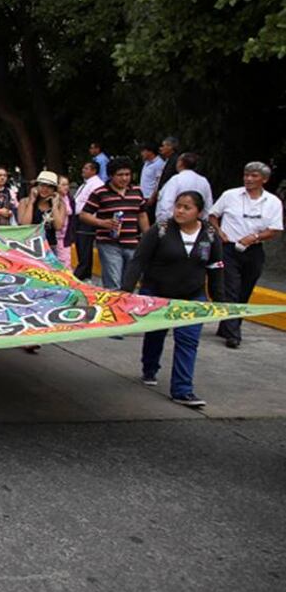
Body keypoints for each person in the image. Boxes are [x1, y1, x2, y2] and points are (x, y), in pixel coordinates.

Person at [122, 191, 224, 408]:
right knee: (155, 334)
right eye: (178, 206)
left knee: (188, 341)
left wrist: (220, 300)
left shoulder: (209, 234)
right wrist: (126, 293)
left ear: (199, 212)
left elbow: (215, 267)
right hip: (158, 294)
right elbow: (138, 261)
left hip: (192, 297)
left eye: (187, 207)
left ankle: (182, 390)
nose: (180, 211)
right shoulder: (160, 230)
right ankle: (150, 367)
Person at [209, 161, 284, 348]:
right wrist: (219, 232)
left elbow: (275, 229)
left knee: (245, 290)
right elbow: (213, 215)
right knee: (231, 289)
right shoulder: (230, 195)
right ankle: (233, 334)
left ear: (264, 179)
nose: (249, 179)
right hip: (229, 248)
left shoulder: (273, 202)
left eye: (254, 176)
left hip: (254, 250)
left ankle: (228, 326)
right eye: (246, 175)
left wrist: (255, 237)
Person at [79, 157, 149, 290]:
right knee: (113, 283)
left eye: (127, 174)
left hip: (132, 243)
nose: (124, 178)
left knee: (129, 283)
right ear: (111, 176)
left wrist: (147, 236)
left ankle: (127, 303)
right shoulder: (100, 193)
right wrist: (102, 222)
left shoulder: (137, 191)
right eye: (120, 175)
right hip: (108, 243)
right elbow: (84, 215)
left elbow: (142, 215)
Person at [18, 171, 69, 261]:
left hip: (50, 247)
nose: (45, 189)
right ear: (36, 186)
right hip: (28, 246)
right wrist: (31, 202)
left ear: (54, 189)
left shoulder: (60, 205)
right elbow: (24, 225)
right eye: (42, 185)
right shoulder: (25, 202)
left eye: (50, 186)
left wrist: (54, 205)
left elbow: (58, 226)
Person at [154, 152, 213, 223]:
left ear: (180, 163)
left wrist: (166, 221)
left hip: (175, 222)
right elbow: (208, 206)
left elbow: (166, 203)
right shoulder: (204, 181)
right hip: (196, 222)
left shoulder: (176, 179)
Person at [72, 162, 104, 280]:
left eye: (86, 168)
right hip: (79, 218)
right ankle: (84, 272)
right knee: (80, 245)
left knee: (84, 245)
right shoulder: (86, 183)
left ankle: (82, 272)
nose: (83, 170)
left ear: (94, 171)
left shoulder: (97, 184)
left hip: (88, 218)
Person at [57, 175, 76, 270]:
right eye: (63, 185)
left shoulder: (69, 199)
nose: (66, 187)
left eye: (67, 185)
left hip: (65, 236)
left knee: (66, 263)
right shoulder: (52, 199)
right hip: (54, 236)